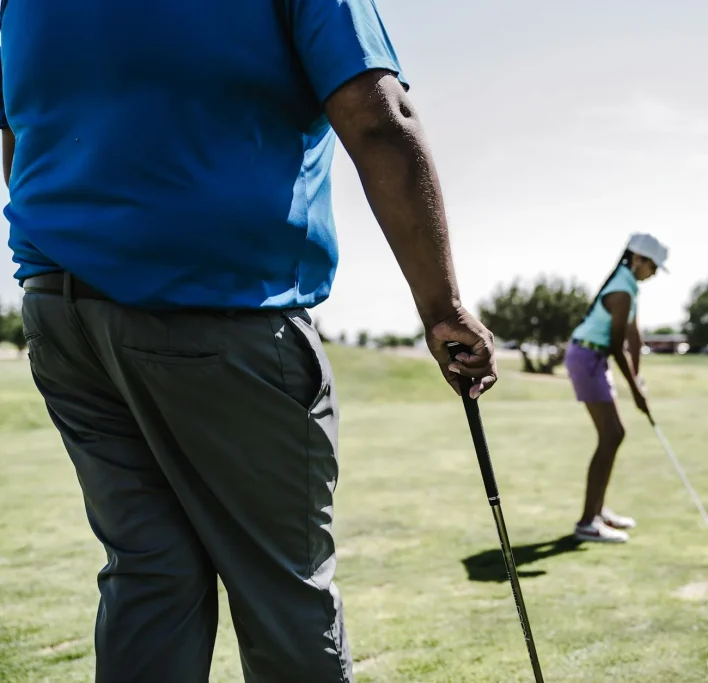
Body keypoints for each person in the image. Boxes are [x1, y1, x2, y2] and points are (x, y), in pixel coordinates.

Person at [0, 1, 497, 681]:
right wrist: (443, 309)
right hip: (217, 305)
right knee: (284, 596)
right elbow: (380, 120)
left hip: (63, 313)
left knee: (150, 576)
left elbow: (18, 136)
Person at [565, 233, 669, 543]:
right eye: (653, 265)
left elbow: (633, 337)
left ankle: (596, 511)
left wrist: (638, 379)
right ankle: (587, 522)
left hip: (592, 357)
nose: (654, 273)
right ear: (637, 259)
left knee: (613, 435)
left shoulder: (629, 286)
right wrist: (635, 390)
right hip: (587, 356)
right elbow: (615, 345)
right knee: (612, 434)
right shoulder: (623, 289)